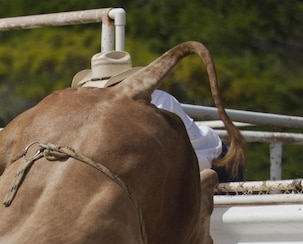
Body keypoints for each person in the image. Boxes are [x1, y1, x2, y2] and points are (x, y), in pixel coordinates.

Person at [71, 50, 244, 182]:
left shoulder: (158, 101)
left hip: (216, 162)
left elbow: (174, 156)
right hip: (185, 167)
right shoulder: (151, 102)